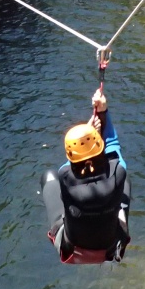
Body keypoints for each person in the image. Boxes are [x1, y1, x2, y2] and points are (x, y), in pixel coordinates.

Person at [41, 89, 131, 264]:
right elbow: (112, 145)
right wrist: (103, 113)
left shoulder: (64, 177)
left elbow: (74, 164)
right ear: (99, 146)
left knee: (48, 177)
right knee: (126, 183)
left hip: (71, 247)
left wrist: (88, 131)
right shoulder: (118, 173)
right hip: (111, 246)